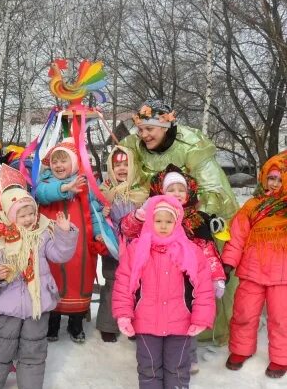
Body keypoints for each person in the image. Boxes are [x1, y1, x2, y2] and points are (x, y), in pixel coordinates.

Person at [120, 98, 238, 345]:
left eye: (149, 129)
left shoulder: (190, 145)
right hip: (155, 224)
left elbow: (213, 188)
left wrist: (190, 221)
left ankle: (196, 334)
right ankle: (150, 325)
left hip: (192, 223)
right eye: (140, 129)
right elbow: (125, 175)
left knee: (193, 278)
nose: (144, 135)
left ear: (165, 126)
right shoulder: (134, 146)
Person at [0, 164, 78, 389]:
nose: (29, 218)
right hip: (7, 304)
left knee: (34, 349)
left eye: (32, 212)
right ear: (10, 216)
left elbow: (59, 254)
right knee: (0, 348)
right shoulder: (0, 237)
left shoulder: (41, 234)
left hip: (37, 304)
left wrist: (64, 233)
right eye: (22, 215)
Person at [112, 195, 216, 389]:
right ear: (150, 220)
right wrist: (124, 315)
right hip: (146, 322)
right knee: (148, 368)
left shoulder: (190, 251)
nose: (163, 225)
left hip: (180, 323)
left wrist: (201, 318)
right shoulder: (137, 249)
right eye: (158, 220)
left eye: (169, 221)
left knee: (177, 369)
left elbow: (203, 287)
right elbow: (124, 283)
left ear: (177, 223)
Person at [221, 151, 287, 378]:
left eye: (280, 179)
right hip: (252, 270)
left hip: (282, 274)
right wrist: (228, 264)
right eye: (271, 177)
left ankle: (281, 357)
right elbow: (236, 237)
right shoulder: (251, 205)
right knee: (244, 313)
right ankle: (241, 349)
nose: (275, 183)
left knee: (281, 318)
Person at [35, 138, 106, 343]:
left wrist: (98, 233)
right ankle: (53, 324)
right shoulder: (46, 183)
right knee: (54, 280)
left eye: (63, 161)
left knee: (78, 281)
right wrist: (65, 188)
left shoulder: (85, 185)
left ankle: (76, 324)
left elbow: (94, 212)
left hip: (80, 245)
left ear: (74, 163)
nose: (58, 165)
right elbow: (42, 194)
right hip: (52, 242)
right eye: (55, 161)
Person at [96, 146, 148, 343]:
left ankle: (133, 322)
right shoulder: (104, 189)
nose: (122, 168)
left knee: (135, 283)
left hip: (135, 245)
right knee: (112, 281)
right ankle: (108, 324)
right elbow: (96, 211)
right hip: (113, 244)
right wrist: (103, 213)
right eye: (117, 165)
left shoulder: (140, 191)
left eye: (126, 164)